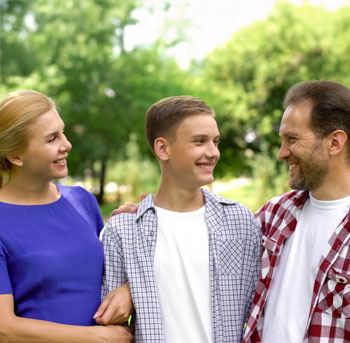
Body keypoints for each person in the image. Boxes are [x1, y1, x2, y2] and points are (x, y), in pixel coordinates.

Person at [101, 95, 262, 343]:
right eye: (199, 141)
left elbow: (259, 310)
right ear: (163, 149)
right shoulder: (124, 230)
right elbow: (111, 326)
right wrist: (136, 288)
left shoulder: (240, 221)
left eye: (215, 141)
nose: (213, 152)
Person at [0, 90, 133, 343]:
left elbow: (105, 273)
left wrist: (128, 290)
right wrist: (98, 338)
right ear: (15, 156)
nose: (67, 144)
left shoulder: (82, 200)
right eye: (52, 139)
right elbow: (4, 329)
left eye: (63, 132)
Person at [243, 80, 350, 342]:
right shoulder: (275, 214)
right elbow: (209, 260)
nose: (282, 153)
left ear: (335, 142)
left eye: (292, 139)